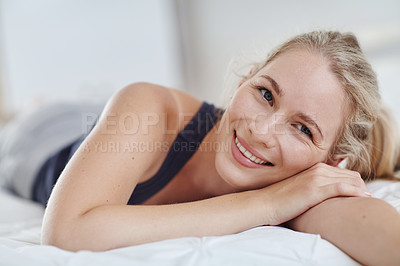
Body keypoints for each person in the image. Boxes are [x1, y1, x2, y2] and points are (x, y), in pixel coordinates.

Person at [1, 30, 400, 265]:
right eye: (264, 93)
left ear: (331, 162)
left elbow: (373, 228)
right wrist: (266, 204)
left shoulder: (305, 183)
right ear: (246, 78)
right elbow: (66, 232)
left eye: (302, 129)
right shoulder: (151, 107)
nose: (261, 131)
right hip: (46, 136)